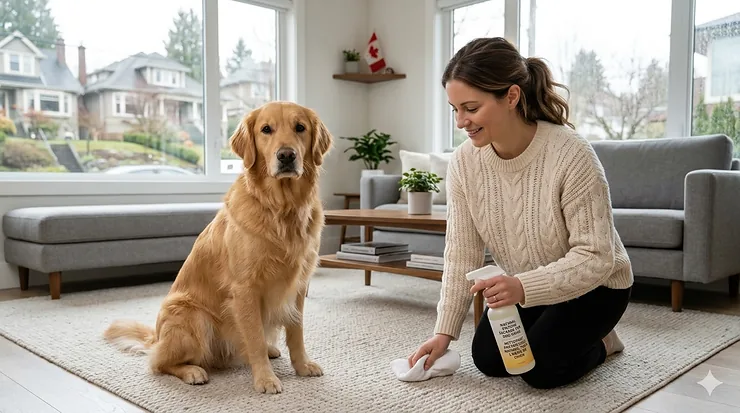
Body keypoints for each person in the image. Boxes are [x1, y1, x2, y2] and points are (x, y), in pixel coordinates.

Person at [408, 37, 634, 390]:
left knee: (539, 369)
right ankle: (559, 329)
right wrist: (443, 333)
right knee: (488, 360)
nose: (461, 122)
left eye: (470, 107)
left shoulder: (571, 153)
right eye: (454, 109)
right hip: (529, 285)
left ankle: (605, 343)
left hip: (597, 287)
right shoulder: (465, 163)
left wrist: (521, 286)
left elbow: (597, 257)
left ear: (511, 96)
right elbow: (460, 254)